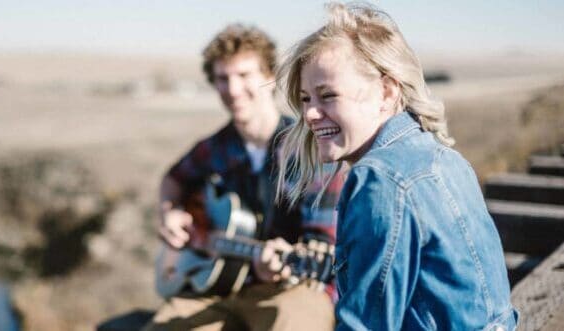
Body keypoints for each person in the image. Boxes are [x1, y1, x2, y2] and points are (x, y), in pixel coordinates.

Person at [276, 3, 518, 330]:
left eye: (327, 95)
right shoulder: (446, 158)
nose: (310, 114)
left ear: (386, 92)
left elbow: (365, 325)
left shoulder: (378, 178)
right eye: (306, 99)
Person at [146, 24, 343, 331]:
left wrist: (279, 266)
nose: (233, 89)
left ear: (270, 77)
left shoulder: (313, 150)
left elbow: (319, 245)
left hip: (290, 288)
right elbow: (174, 179)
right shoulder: (215, 147)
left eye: (244, 75)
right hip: (216, 288)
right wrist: (170, 212)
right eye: (223, 79)